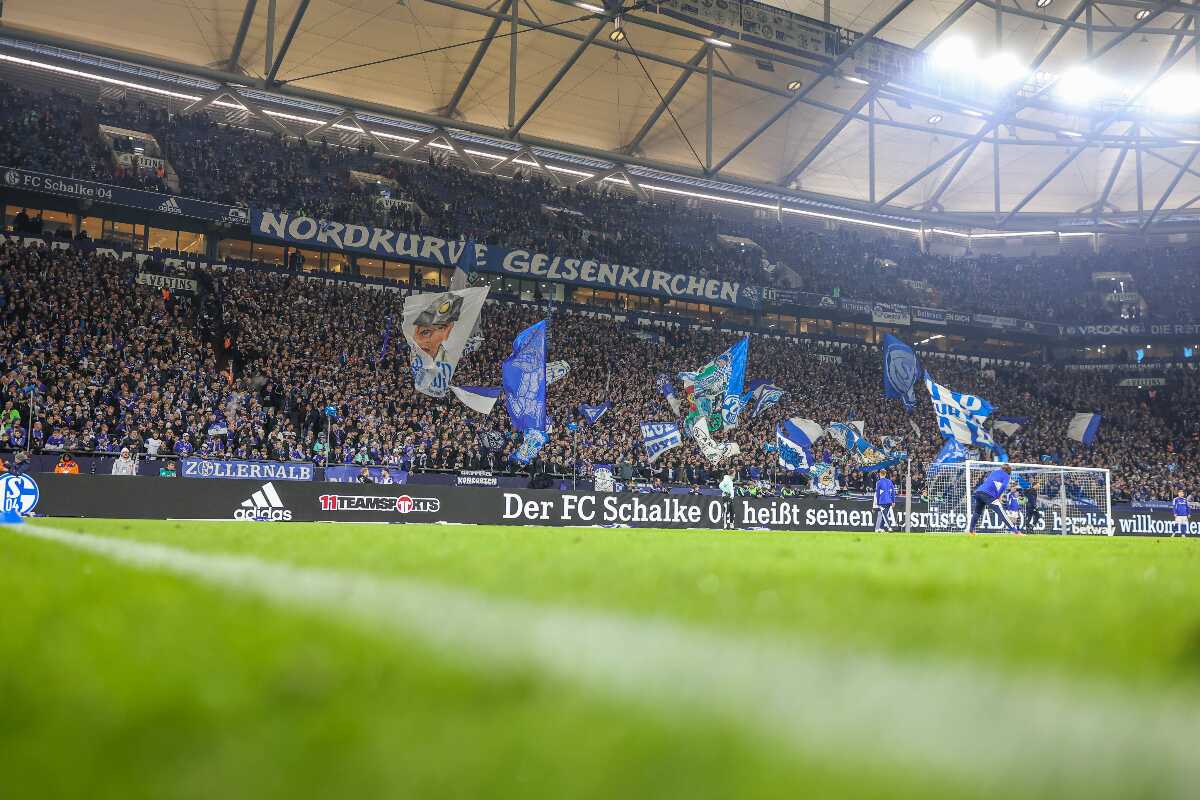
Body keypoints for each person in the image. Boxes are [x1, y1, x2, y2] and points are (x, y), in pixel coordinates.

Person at [968, 463, 1013, 534]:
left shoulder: (994, 472)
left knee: (977, 512)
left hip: (979, 492)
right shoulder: (1006, 476)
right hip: (988, 494)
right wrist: (998, 496)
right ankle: (1016, 531)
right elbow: (1003, 486)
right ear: (1009, 471)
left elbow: (988, 482)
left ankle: (971, 531)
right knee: (1001, 512)